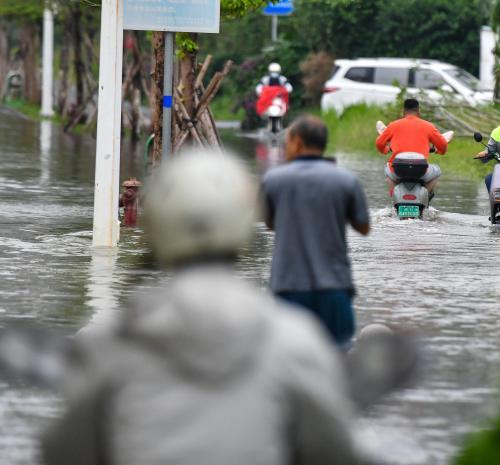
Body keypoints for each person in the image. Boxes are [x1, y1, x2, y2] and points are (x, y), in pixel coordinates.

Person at [41, 150, 364, 465]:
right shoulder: (296, 339)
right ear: (244, 222)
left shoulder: (109, 341)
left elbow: (61, 451)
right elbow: (338, 451)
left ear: (157, 226)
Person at [262, 115, 370, 349]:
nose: (285, 147)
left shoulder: (273, 179)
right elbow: (363, 227)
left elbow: (270, 224)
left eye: (287, 141)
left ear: (298, 142)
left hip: (288, 287)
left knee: (288, 355)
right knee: (337, 354)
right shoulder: (346, 180)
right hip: (334, 287)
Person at [375, 98, 448, 194]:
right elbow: (443, 146)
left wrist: (386, 149)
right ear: (418, 110)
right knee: (437, 170)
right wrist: (438, 150)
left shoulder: (393, 125)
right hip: (421, 171)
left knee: (388, 171)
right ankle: (424, 195)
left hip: (398, 170)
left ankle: (395, 196)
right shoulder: (429, 126)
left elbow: (379, 143)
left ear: (403, 111)